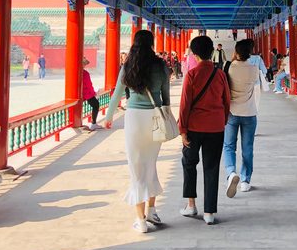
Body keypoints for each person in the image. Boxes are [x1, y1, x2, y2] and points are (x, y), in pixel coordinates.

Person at [105, 30, 170, 233]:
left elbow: (117, 94)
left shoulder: (128, 65)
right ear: (152, 43)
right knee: (150, 165)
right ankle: (151, 210)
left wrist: (108, 117)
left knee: (136, 169)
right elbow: (165, 96)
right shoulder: (160, 65)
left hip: (133, 118)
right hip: (154, 118)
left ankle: (141, 220)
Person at [179, 35, 231, 225]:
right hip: (215, 127)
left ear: (194, 53)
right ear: (211, 52)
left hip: (193, 126)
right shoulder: (221, 75)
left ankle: (191, 204)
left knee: (189, 162)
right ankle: (209, 212)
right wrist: (222, 120)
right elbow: (227, 101)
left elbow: (184, 105)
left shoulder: (191, 75)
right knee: (211, 167)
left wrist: (182, 129)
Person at [223, 40, 261, 194]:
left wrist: (233, 59)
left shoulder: (229, 67)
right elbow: (255, 82)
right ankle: (245, 180)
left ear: (236, 52)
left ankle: (231, 172)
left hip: (231, 112)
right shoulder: (254, 69)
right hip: (250, 112)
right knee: (248, 148)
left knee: (229, 146)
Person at [246, 39, 268, 109]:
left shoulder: (243, 59)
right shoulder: (258, 58)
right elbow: (264, 71)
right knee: (256, 101)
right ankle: (254, 115)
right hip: (256, 82)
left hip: (245, 83)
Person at [83, 57, 101, 130]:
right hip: (87, 93)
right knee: (96, 104)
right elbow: (89, 85)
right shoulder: (85, 73)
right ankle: (93, 123)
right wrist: (93, 92)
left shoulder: (76, 72)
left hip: (80, 93)